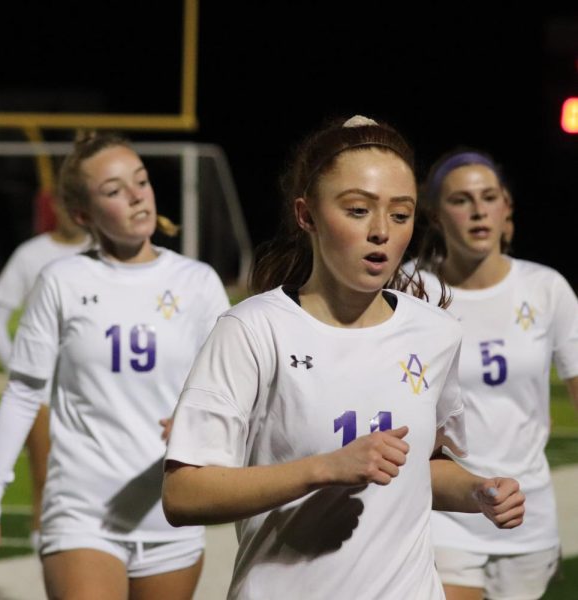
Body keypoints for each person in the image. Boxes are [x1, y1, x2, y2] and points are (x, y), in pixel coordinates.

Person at [161, 116, 526, 599]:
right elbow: (184, 494)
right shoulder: (253, 329)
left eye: (400, 215)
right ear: (306, 215)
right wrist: (322, 468)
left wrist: (477, 492)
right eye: (357, 210)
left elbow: (422, 467)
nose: (381, 231)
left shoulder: (435, 332)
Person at [0, 132, 230, 599]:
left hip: (170, 511)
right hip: (82, 514)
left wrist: (202, 424)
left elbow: (228, 391)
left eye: (141, 181)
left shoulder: (198, 282)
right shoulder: (61, 281)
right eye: (114, 190)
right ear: (84, 215)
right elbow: (24, 394)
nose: (136, 196)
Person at [413, 148, 578, 600]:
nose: (477, 209)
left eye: (488, 197)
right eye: (461, 200)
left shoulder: (547, 289)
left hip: (527, 511)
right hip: (443, 510)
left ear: (506, 206)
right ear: (434, 215)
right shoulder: (411, 290)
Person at [0, 192, 90, 547]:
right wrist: (25, 372)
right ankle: (43, 561)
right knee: (45, 478)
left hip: (95, 388)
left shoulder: (107, 252)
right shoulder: (31, 255)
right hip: (44, 392)